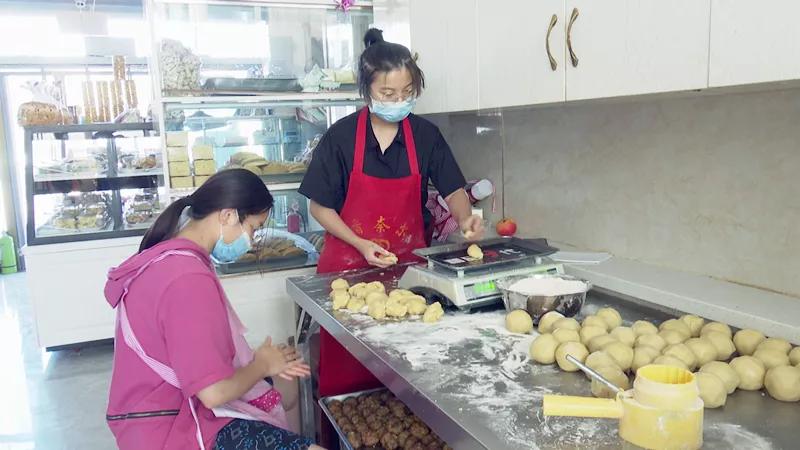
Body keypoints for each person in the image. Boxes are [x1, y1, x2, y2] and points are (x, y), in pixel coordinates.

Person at [298, 29, 484, 401]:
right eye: (388, 94)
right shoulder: (341, 138)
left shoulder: (426, 136)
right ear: (367, 91)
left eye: (407, 93)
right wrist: (359, 243)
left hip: (408, 278)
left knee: (407, 384)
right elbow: (319, 206)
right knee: (349, 389)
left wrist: (466, 219)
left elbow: (453, 190)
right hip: (347, 276)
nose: (399, 101)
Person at [105, 169, 322, 450]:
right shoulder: (186, 278)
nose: (251, 241)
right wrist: (262, 364)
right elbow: (213, 393)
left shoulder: (171, 257)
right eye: (254, 229)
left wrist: (264, 363)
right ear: (228, 215)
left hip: (157, 411)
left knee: (286, 384)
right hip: (173, 427)